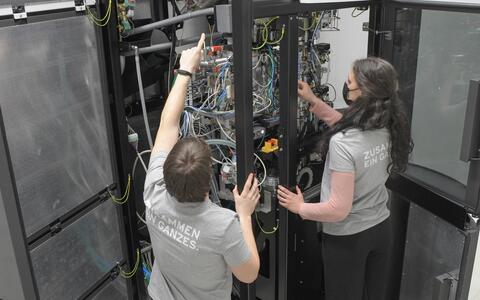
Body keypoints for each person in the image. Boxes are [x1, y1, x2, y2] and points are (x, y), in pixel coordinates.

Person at [277, 57, 412, 300]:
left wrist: (300, 208)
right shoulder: (387, 123)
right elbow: (349, 127)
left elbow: (338, 210)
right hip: (381, 229)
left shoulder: (343, 144)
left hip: (348, 239)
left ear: (363, 91)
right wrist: (314, 102)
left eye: (349, 81)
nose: (346, 84)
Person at [143, 33, 260, 300]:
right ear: (210, 178)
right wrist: (244, 214)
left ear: (165, 172)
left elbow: (167, 125)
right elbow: (249, 274)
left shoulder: (153, 192)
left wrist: (184, 71)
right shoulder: (223, 225)